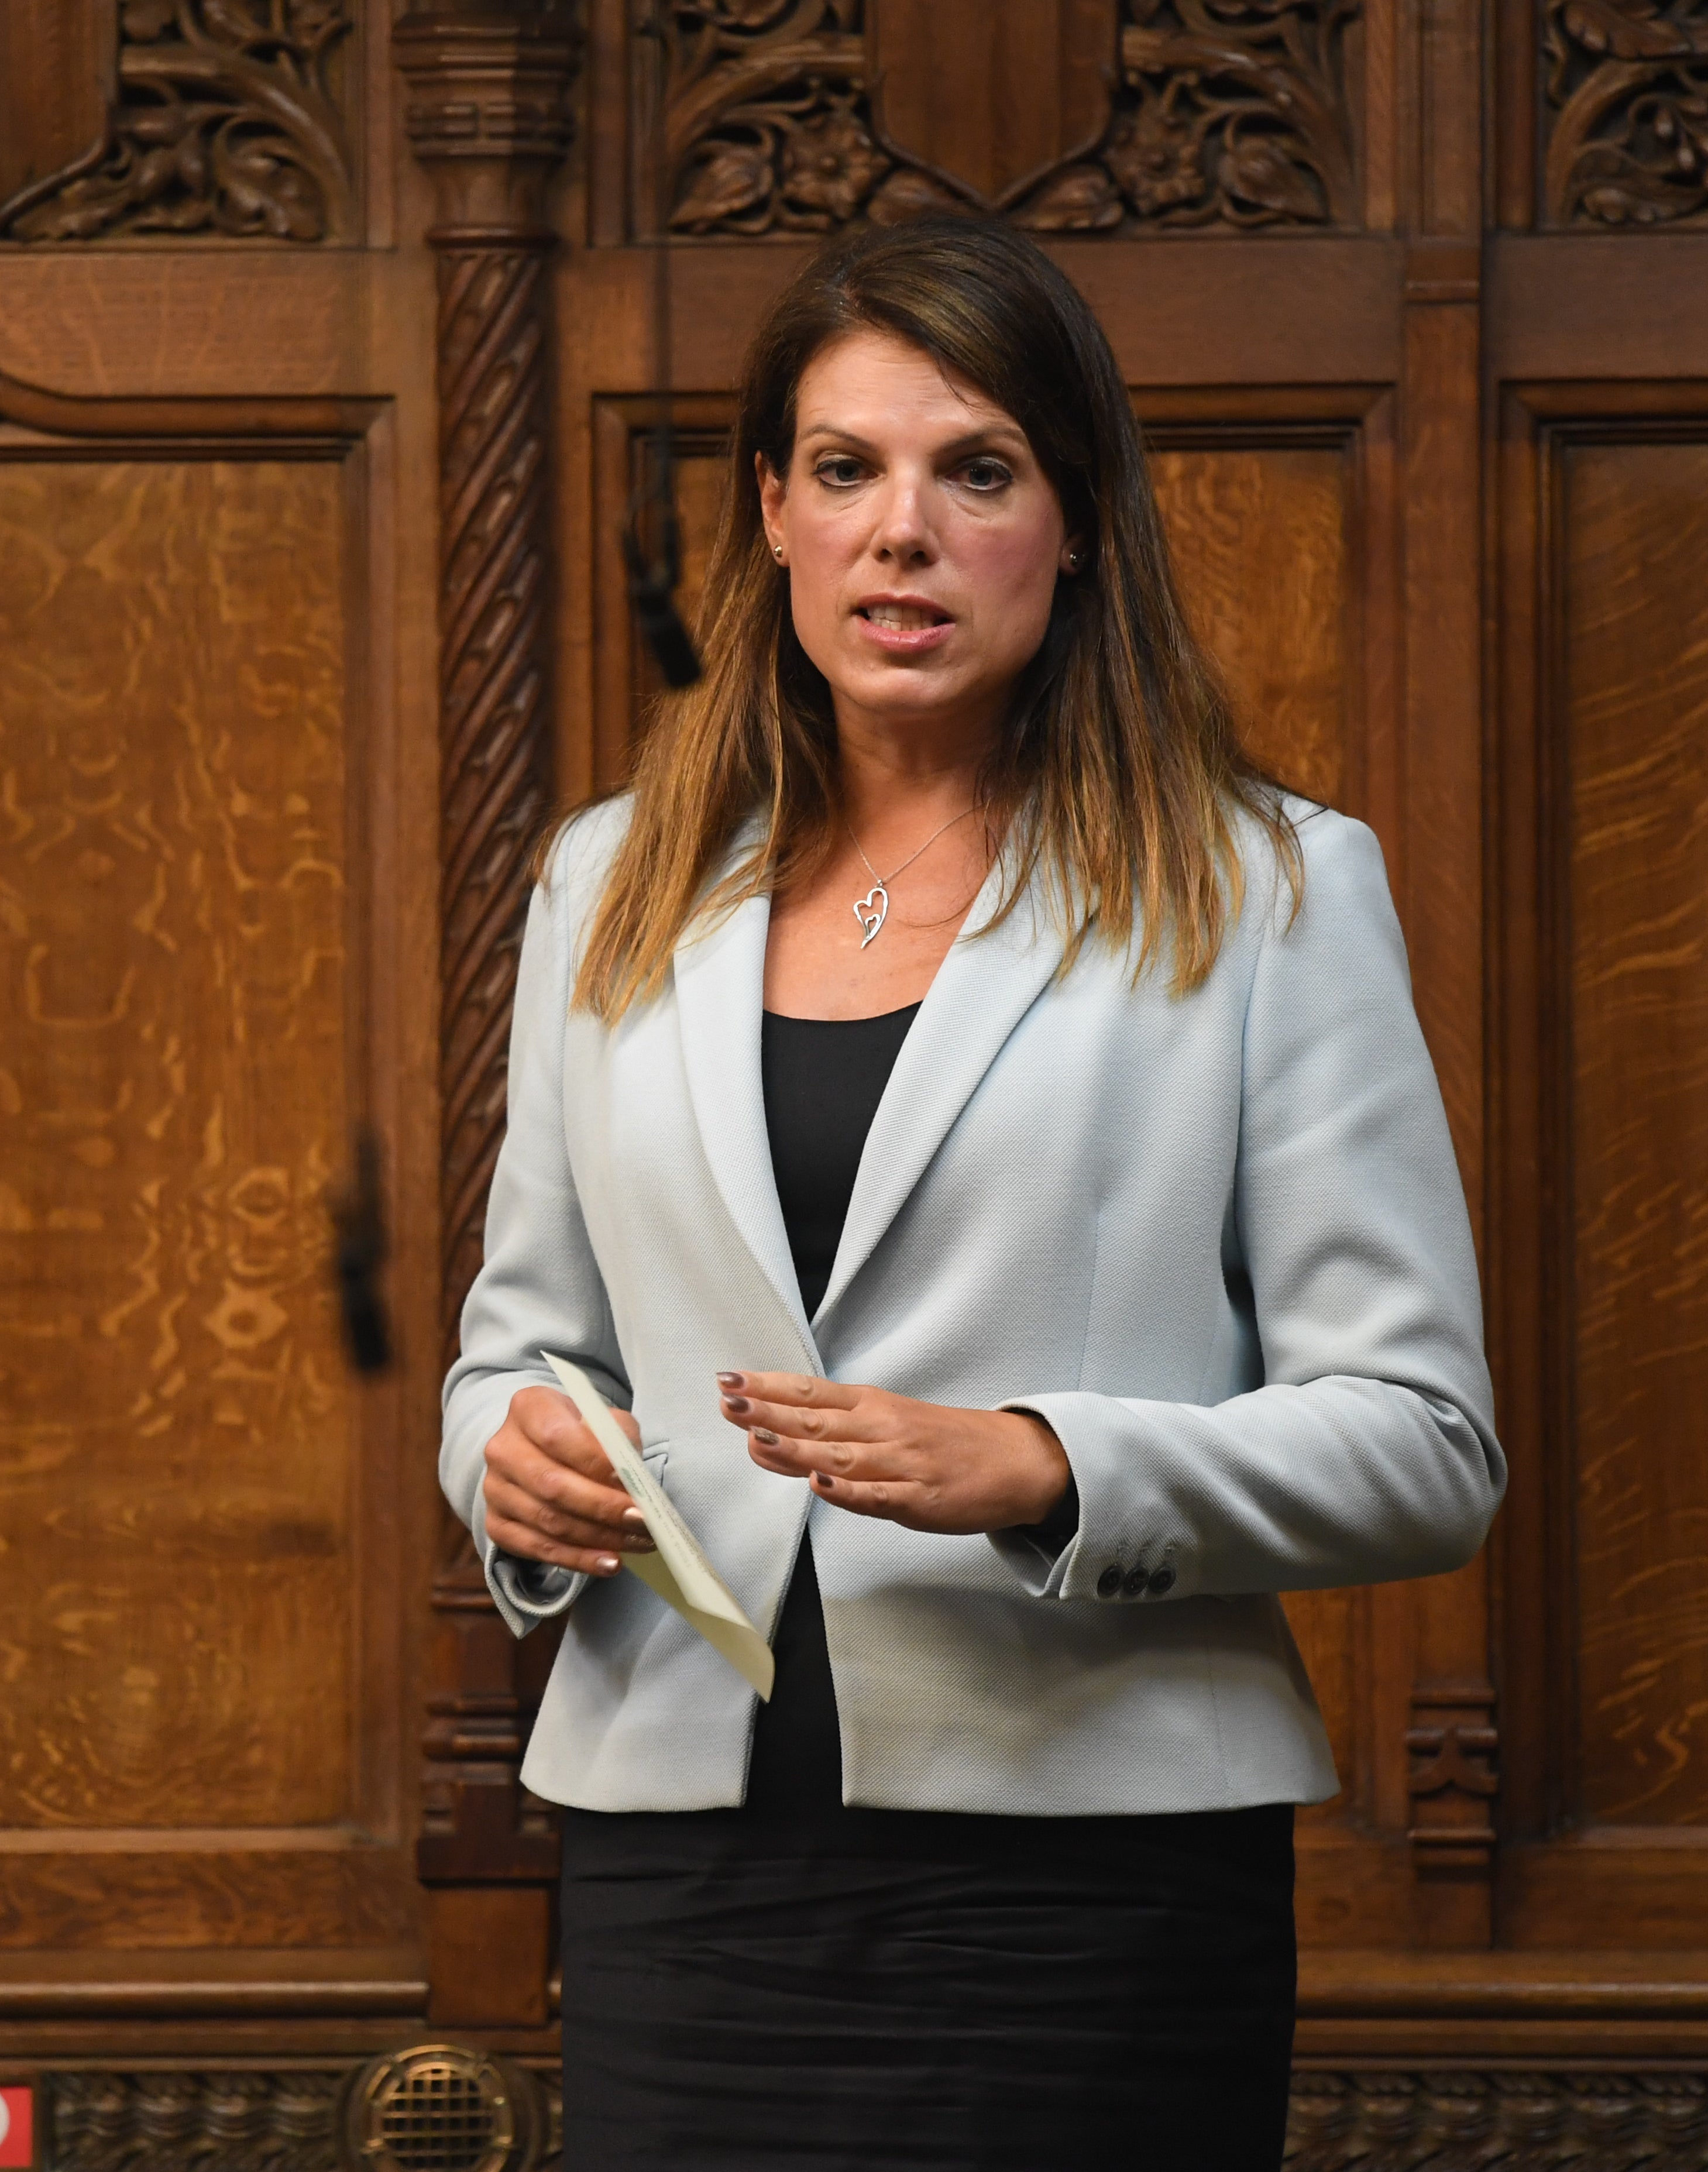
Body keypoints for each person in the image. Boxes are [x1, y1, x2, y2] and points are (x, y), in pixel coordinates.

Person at [438, 216, 1502, 2170]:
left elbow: (1426, 1443)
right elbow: (523, 1345)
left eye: (977, 470)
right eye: (845, 470)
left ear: (1079, 519)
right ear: (773, 514)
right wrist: (509, 1466)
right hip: (689, 1877)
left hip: (1089, 1879)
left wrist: (1046, 1465)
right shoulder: (608, 884)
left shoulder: (1270, 893)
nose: (901, 531)